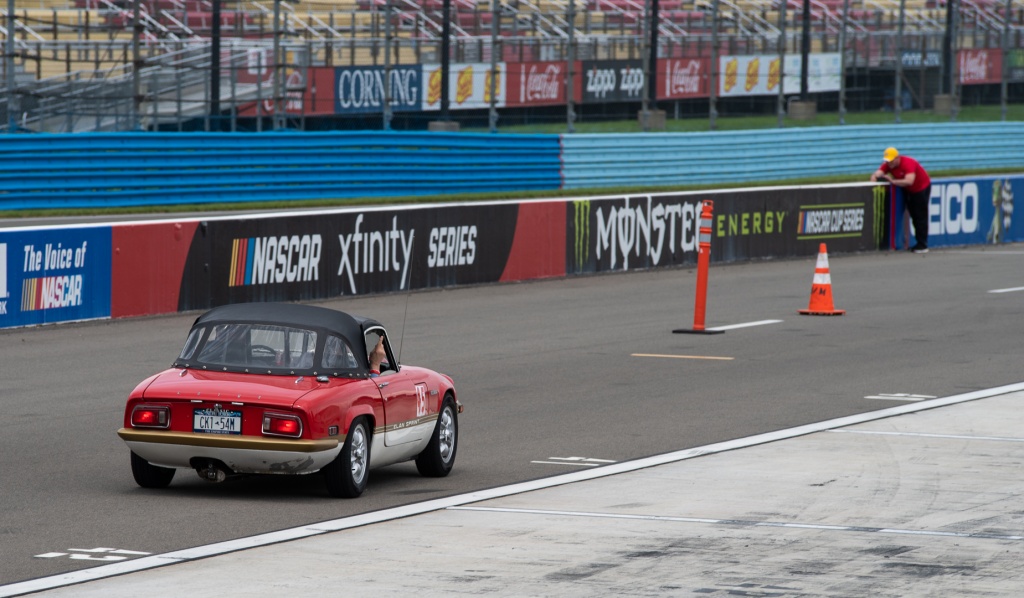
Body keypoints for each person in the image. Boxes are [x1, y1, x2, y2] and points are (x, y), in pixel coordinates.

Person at [871, 147, 932, 253]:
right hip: (908, 190)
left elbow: (909, 181)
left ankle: (923, 244)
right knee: (912, 214)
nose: (889, 164)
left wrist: (892, 181)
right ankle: (918, 243)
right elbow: (876, 174)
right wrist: (877, 177)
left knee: (920, 216)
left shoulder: (908, 163)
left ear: (897, 158)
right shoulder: (888, 165)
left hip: (920, 188)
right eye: (887, 161)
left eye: (891, 161)